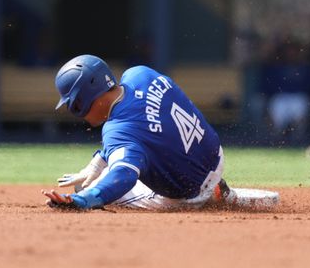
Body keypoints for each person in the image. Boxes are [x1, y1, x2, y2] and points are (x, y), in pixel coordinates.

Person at [42, 54, 239, 210]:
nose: (78, 113)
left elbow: (124, 176)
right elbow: (145, 128)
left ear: (87, 96)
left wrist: (83, 199)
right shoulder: (140, 74)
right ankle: (215, 188)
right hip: (214, 156)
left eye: (75, 105)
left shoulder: (117, 130)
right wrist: (97, 164)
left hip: (188, 193)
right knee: (145, 149)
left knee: (85, 188)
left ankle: (209, 197)